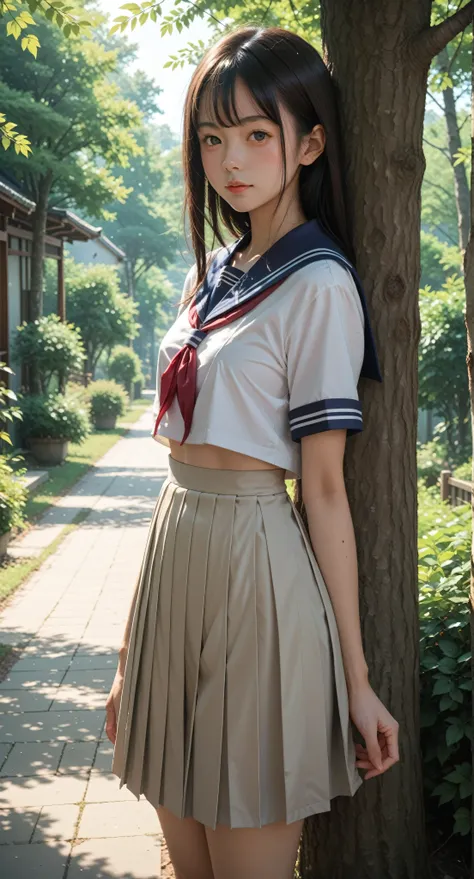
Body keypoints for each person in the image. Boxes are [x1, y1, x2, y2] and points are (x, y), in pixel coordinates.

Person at [106, 24, 400, 879]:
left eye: (256, 134)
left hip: (254, 577)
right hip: (175, 560)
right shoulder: (214, 275)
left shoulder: (319, 285)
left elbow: (326, 491)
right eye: (211, 137)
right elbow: (178, 469)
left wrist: (357, 679)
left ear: (308, 143)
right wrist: (132, 655)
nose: (231, 160)